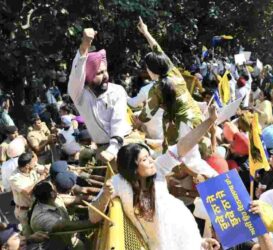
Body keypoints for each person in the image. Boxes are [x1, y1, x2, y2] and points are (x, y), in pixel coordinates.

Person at [89, 106, 220, 250]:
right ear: (132, 168)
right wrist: (106, 196)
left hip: (191, 237)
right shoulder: (118, 183)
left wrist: (210, 120)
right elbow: (93, 216)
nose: (152, 161)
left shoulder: (158, 171)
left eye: (149, 157)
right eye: (145, 159)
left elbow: (183, 146)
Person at [68, 28, 132, 165]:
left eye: (105, 71)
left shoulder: (117, 91)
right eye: (99, 73)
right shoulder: (79, 95)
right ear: (88, 76)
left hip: (126, 142)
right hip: (103, 149)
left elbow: (118, 122)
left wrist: (112, 149)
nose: (105, 76)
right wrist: (85, 45)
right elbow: (76, 74)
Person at [136, 17, 203, 149]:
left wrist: (136, 121)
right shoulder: (173, 71)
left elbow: (146, 115)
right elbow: (158, 50)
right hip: (197, 120)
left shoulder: (155, 89)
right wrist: (146, 32)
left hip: (182, 130)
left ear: (150, 70)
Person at [30, 181, 93, 249]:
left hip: (67, 239)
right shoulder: (41, 217)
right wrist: (94, 222)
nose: (55, 187)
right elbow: (65, 226)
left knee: (84, 245)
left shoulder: (55, 199)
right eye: (53, 187)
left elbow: (78, 199)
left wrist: (99, 200)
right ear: (52, 194)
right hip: (57, 247)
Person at [8, 152, 47, 236]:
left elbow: (43, 168)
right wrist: (40, 179)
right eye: (33, 162)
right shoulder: (14, 178)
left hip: (36, 207)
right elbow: (27, 191)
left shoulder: (31, 168)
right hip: (24, 211)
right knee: (29, 237)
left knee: (40, 232)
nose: (35, 164)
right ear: (27, 165)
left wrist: (45, 170)